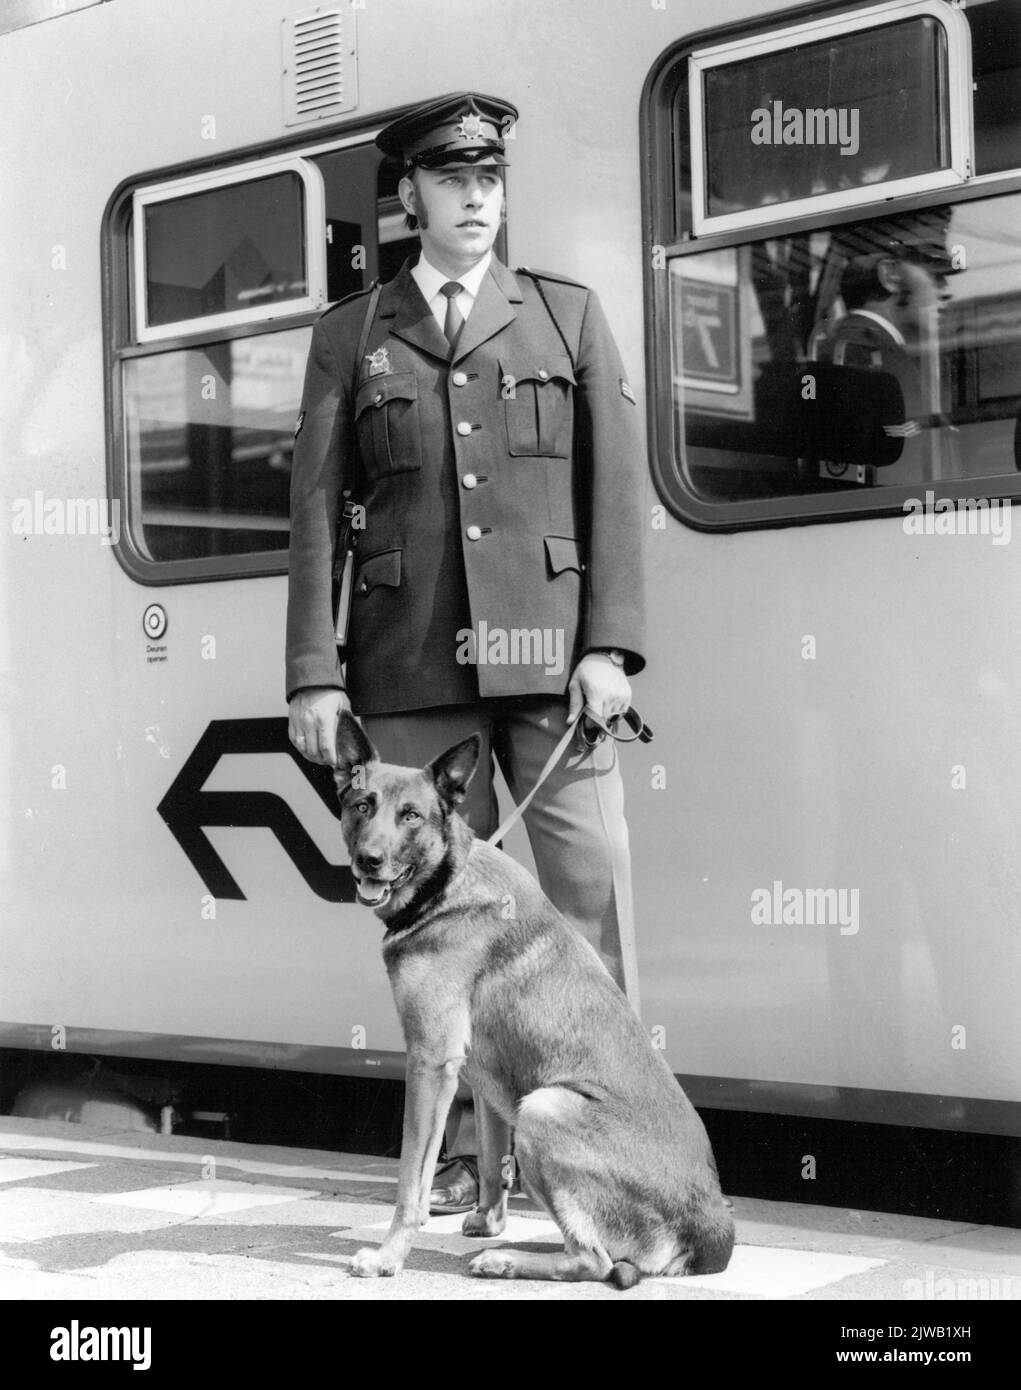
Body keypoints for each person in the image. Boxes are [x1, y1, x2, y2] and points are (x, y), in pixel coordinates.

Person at [286, 92, 646, 1213]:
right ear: (410, 196)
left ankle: (609, 1147)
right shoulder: (352, 334)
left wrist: (612, 648)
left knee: (584, 911)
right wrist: (312, 669)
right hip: (408, 666)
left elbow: (612, 495)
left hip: (552, 666)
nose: (475, 197)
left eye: (489, 179)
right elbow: (311, 507)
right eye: (451, 180)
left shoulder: (566, 316)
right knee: (440, 931)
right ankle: (471, 1165)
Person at [812, 211, 958, 483]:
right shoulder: (859, 350)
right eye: (934, 272)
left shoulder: (887, 353)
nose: (946, 289)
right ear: (890, 274)